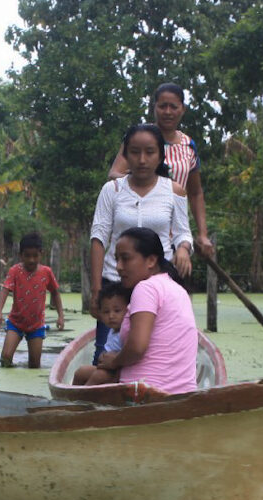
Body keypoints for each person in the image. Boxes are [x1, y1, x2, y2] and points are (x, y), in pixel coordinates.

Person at [90, 123, 193, 362]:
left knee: (155, 351)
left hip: (158, 286)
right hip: (116, 285)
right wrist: (96, 291)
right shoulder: (112, 190)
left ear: (160, 156)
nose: (142, 159)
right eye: (135, 152)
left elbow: (182, 233)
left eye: (150, 152)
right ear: (126, 156)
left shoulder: (174, 191)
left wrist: (184, 250)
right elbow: (98, 239)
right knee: (104, 354)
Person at [109, 82, 213, 257]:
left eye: (173, 106)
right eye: (162, 106)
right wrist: (143, 182)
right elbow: (114, 174)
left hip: (176, 238)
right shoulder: (138, 138)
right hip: (140, 230)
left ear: (182, 109)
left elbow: (195, 193)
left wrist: (202, 235)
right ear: (154, 107)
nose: (168, 112)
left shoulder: (188, 146)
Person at [96, 227, 198, 395]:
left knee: (89, 375)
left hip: (143, 393)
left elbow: (136, 348)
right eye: (117, 260)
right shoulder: (178, 289)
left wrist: (114, 361)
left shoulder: (146, 288)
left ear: (151, 260)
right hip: (183, 393)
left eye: (126, 259)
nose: (119, 267)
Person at [0, 232, 65, 368]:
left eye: (35, 256)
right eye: (27, 256)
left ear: (41, 254)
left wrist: (61, 316)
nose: (31, 260)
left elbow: (55, 292)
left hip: (36, 324)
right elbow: (5, 290)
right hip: (16, 322)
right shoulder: (15, 271)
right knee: (5, 358)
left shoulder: (46, 272)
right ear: (21, 255)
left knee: (34, 364)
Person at [72, 281, 130, 386]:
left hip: (120, 372)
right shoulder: (112, 330)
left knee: (99, 375)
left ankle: (83, 396)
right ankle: (71, 397)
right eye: (106, 312)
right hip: (107, 369)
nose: (111, 316)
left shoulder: (126, 331)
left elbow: (129, 353)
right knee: (81, 372)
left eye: (117, 311)